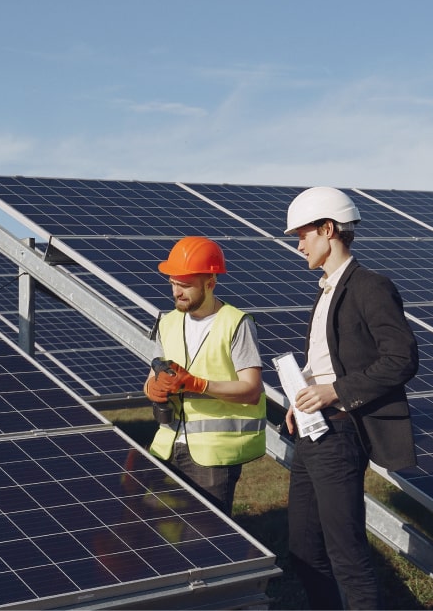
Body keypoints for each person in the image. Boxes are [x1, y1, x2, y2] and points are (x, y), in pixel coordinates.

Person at [283, 187, 418, 610]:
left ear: (328, 229)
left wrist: (335, 392)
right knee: (303, 546)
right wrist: (301, 399)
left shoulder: (370, 287)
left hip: (341, 433)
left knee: (346, 554)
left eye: (303, 234)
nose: (299, 245)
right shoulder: (325, 290)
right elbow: (326, 362)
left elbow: (402, 359)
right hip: (311, 432)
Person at [143, 236, 266, 516]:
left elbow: (251, 389)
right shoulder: (167, 323)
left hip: (213, 456)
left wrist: (198, 384)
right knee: (161, 530)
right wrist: (152, 389)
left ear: (210, 283)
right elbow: (152, 377)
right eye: (173, 283)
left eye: (185, 285)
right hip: (167, 446)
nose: (176, 292)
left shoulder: (236, 323)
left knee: (207, 535)